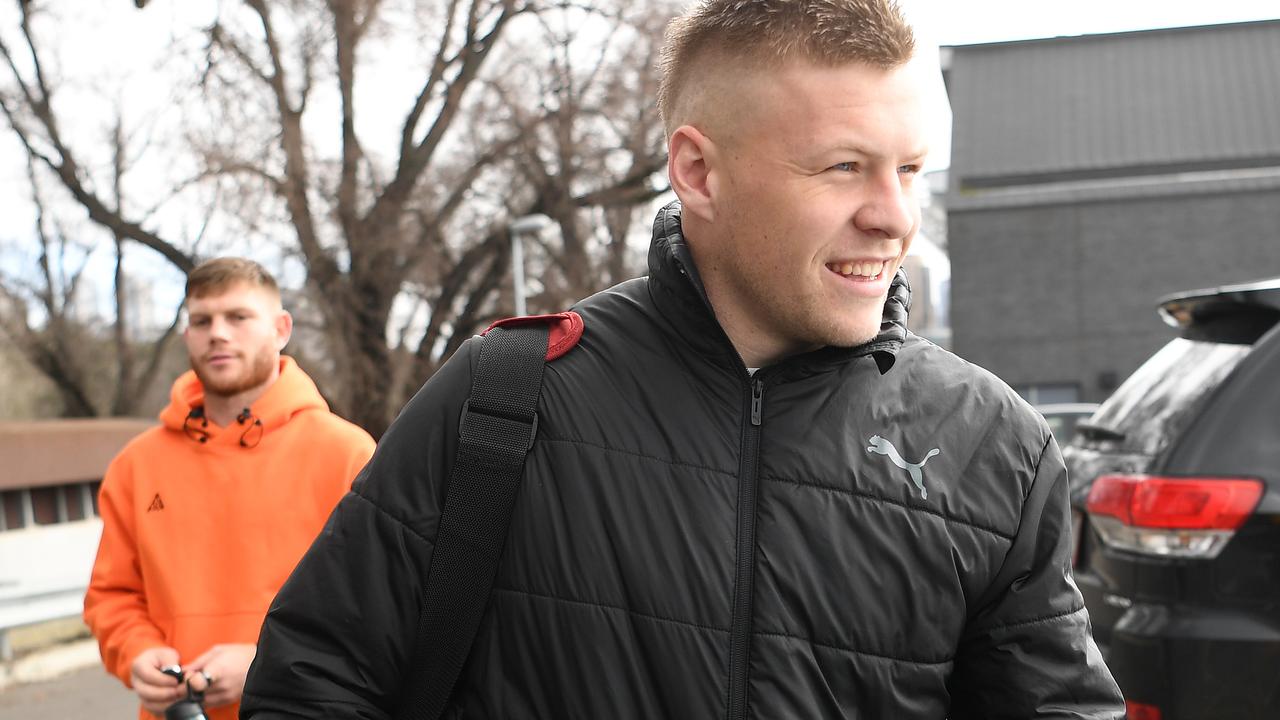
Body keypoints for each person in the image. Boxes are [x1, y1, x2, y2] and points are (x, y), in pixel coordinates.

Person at [243, 1, 1124, 717]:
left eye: (912, 169)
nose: (893, 217)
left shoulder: (995, 448)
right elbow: (315, 680)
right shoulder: (506, 400)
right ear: (699, 173)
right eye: (844, 167)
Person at [83, 258, 375, 720]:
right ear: (187, 336)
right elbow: (112, 596)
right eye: (201, 321)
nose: (217, 333)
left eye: (238, 317)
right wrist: (136, 652)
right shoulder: (135, 466)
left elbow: (373, 609)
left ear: (281, 329)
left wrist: (270, 663)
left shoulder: (347, 453)